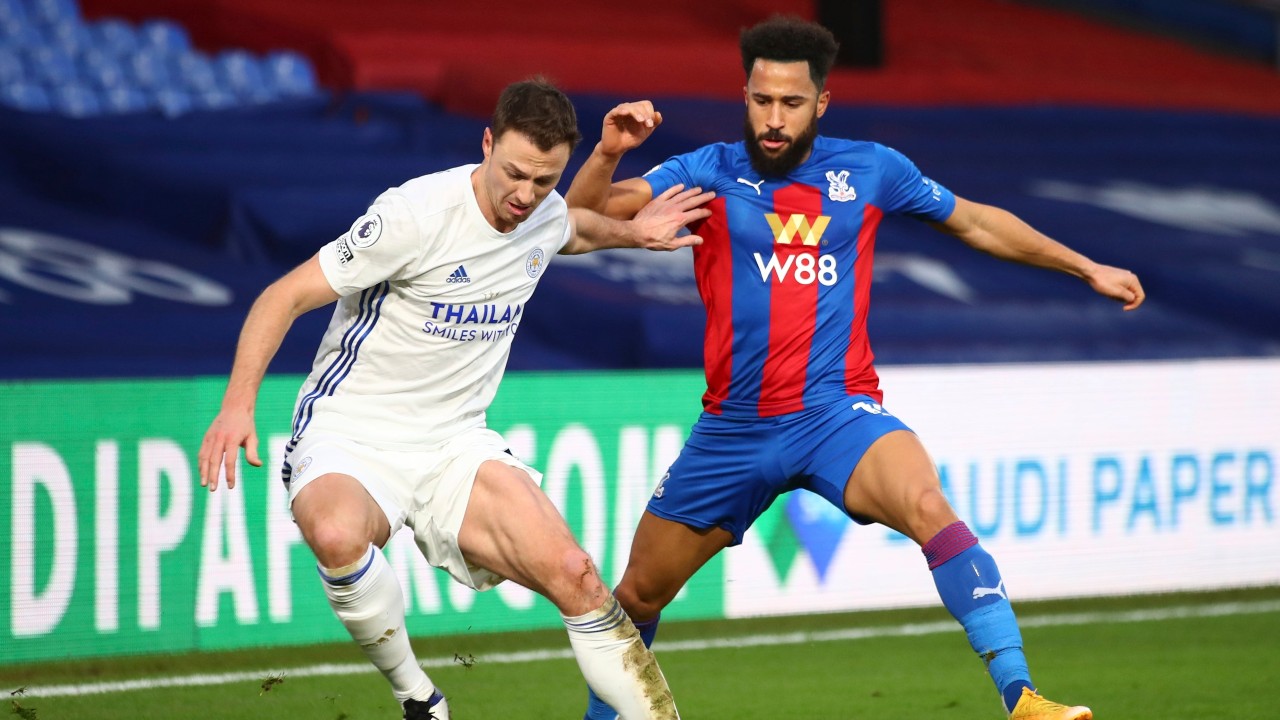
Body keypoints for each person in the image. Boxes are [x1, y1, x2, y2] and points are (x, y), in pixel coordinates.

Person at [565, 16, 1145, 720]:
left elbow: (975, 222)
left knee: (928, 507)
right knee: (637, 596)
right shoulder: (707, 170)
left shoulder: (870, 169)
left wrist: (1084, 266)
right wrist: (607, 154)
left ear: (822, 103)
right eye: (761, 100)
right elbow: (577, 223)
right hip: (734, 430)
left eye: (791, 103)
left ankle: (1022, 697)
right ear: (744, 96)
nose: (773, 119)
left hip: (836, 414)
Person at [197, 78, 711, 720]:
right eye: (515, 173)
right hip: (351, 432)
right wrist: (237, 405)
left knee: (577, 574)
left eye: (544, 181)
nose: (525, 195)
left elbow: (572, 227)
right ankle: (418, 698)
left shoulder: (541, 213)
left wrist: (633, 230)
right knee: (335, 533)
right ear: (487, 143)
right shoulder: (414, 216)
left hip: (454, 444)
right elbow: (285, 295)